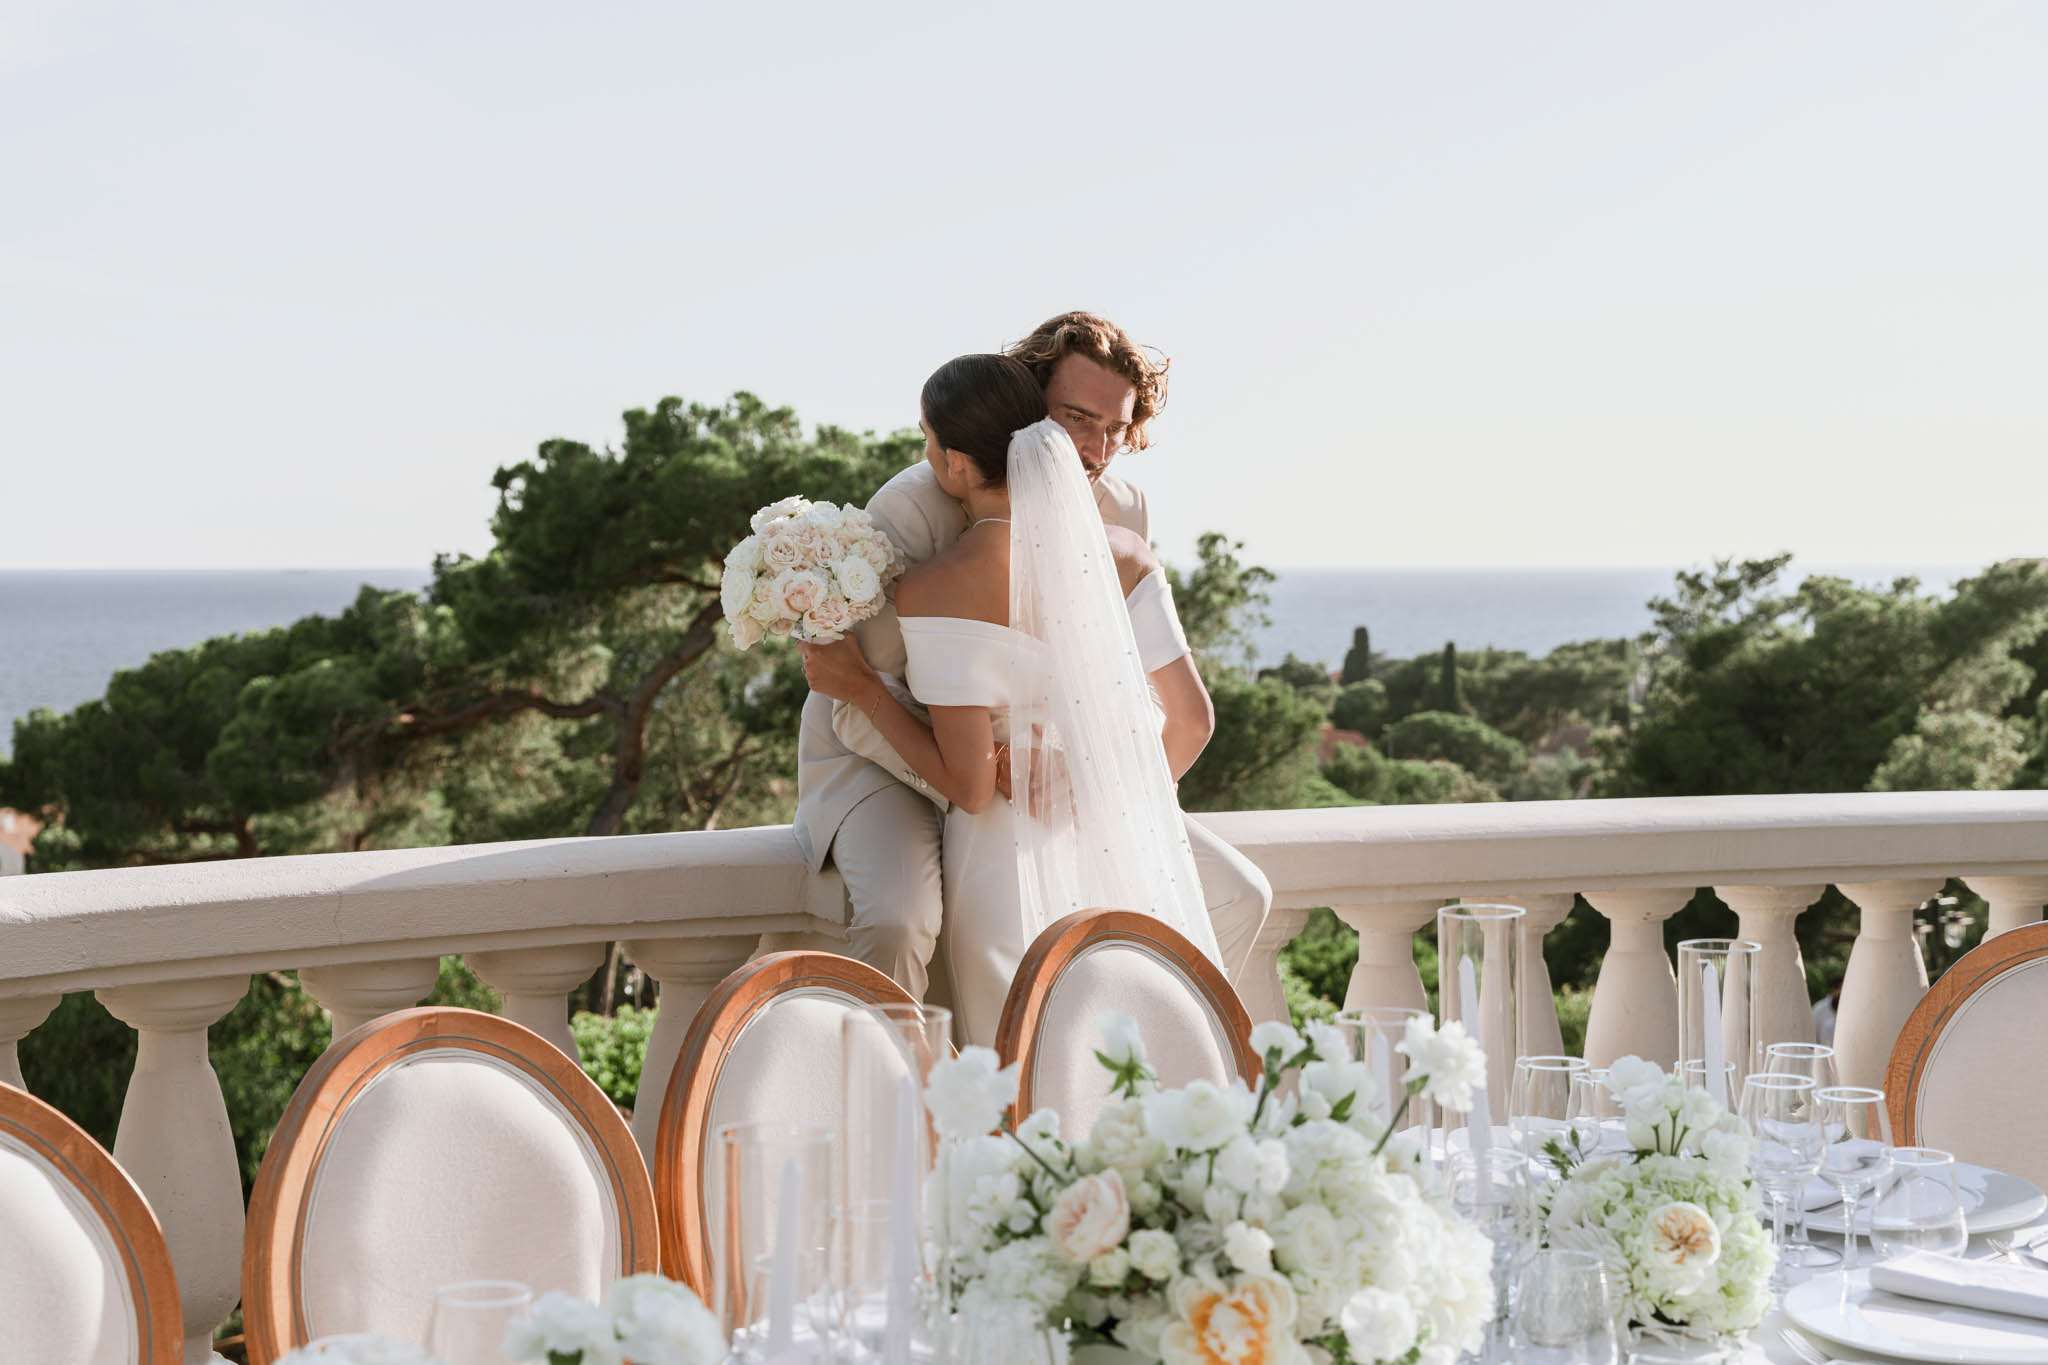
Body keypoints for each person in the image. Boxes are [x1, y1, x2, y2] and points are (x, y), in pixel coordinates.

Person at [789, 313, 1271, 1008]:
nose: (1095, 447)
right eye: (1076, 417)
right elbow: (859, 697)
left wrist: (1091, 794)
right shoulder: (916, 506)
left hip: (1042, 778)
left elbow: (1131, 692)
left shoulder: (1123, 513)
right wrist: (995, 767)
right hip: (891, 764)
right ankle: (899, 1103)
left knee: (1236, 898)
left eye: (1115, 428)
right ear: (1026, 399)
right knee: (902, 918)